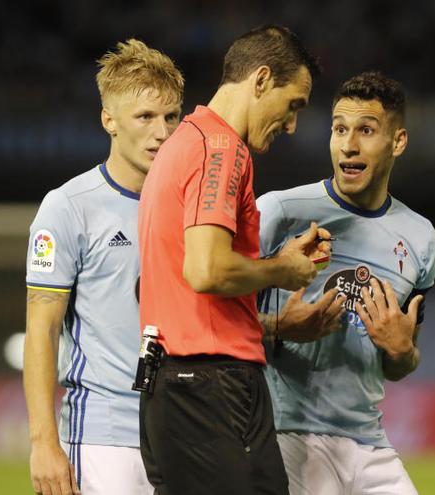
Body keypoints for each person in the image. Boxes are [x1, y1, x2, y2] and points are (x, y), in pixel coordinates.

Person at [137, 25, 326, 495]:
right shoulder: (221, 149)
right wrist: (282, 270)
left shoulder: (183, 143)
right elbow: (206, 271)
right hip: (211, 387)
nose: (291, 124)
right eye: (293, 104)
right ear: (261, 80)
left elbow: (164, 284)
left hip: (173, 384)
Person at [256, 71, 435, 495]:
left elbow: (400, 363)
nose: (348, 144)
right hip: (287, 435)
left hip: (369, 443)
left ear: (398, 142)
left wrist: (402, 351)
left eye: (366, 130)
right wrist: (280, 327)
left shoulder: (421, 238)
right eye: (339, 129)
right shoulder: (280, 213)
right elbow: (217, 318)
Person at [24, 39, 183, 495]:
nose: (162, 132)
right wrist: (44, 444)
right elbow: (42, 330)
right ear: (108, 120)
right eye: (146, 117)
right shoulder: (69, 207)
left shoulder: (191, 209)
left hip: (180, 434)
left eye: (171, 116)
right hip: (101, 440)